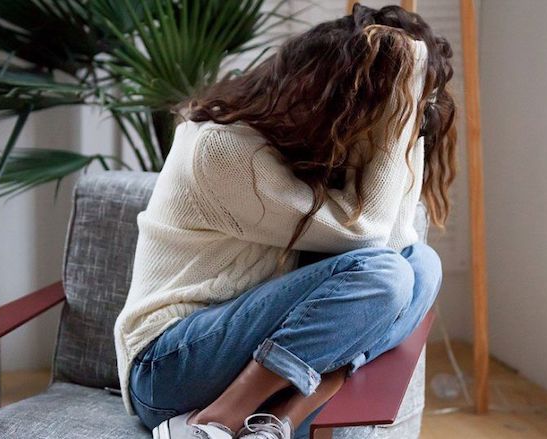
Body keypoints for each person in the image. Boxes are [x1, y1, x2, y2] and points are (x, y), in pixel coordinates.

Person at [113, 3, 457, 439]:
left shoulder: (307, 153)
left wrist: (411, 115)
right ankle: (213, 421)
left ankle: (281, 417)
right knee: (387, 275)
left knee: (422, 265)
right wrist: (398, 113)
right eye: (389, 108)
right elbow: (368, 238)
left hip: (243, 353)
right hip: (166, 366)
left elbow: (395, 242)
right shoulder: (220, 148)